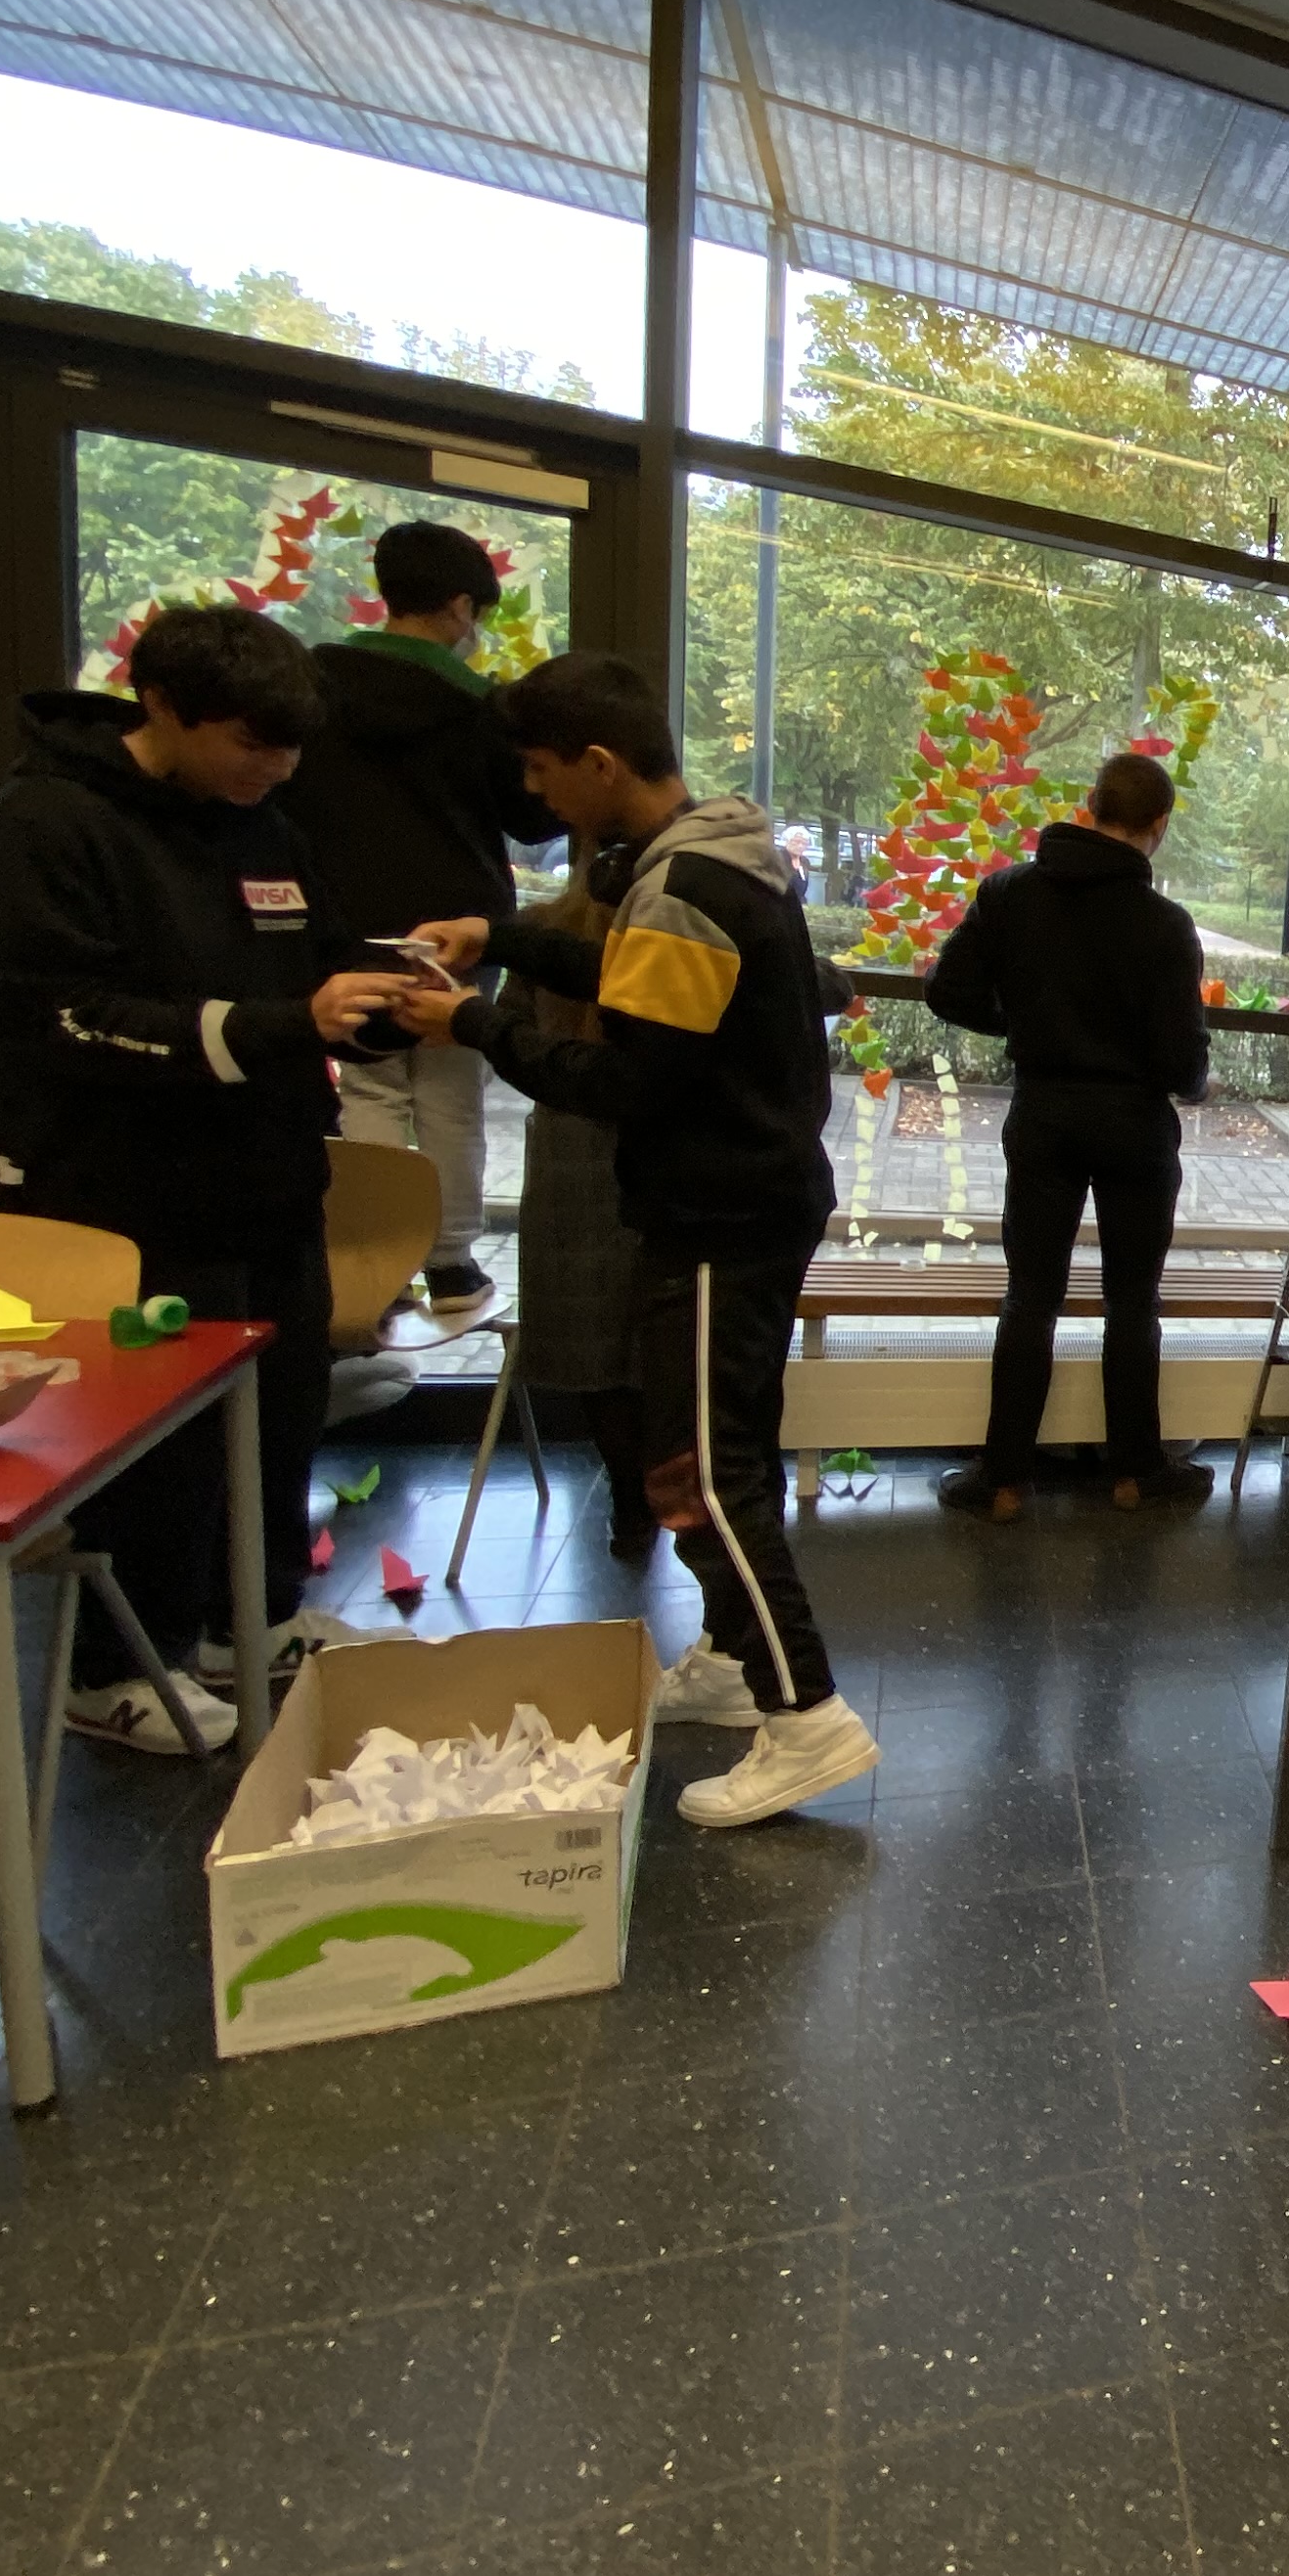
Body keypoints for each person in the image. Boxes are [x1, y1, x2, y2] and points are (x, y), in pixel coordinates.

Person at [387, 655, 874, 1830]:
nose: (538, 793)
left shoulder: (682, 883)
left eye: (543, 770)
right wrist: (501, 940)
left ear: (599, 764)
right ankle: (735, 1657)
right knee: (713, 1450)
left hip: (720, 1216)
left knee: (704, 1472)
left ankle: (806, 1715)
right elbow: (643, 983)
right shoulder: (712, 856)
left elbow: (626, 1081)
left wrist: (474, 1024)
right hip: (742, 1203)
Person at [0, 605, 409, 1749]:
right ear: (161, 705)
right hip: (126, 1191)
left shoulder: (265, 825)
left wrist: (383, 1001)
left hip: (272, 1179)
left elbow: (320, 960)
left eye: (291, 748)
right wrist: (284, 1024)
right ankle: (116, 1668)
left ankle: (250, 1622)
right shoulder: (49, 820)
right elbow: (65, 1018)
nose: (276, 769)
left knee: (282, 1413)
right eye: (250, 744)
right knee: (156, 1445)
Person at [922, 751, 1216, 1522]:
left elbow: (947, 991)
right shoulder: (1165, 925)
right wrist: (1192, 1080)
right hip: (1134, 1128)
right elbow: (1181, 1061)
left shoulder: (1010, 893)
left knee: (1031, 1295)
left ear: (1089, 807)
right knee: (1133, 1301)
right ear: (1158, 825)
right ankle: (1136, 1472)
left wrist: (1025, 1025)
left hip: (1044, 1115)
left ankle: (1002, 1479)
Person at [281, 520, 558, 1319]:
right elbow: (531, 814)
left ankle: (379, 1261)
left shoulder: (314, 689)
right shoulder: (481, 708)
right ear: (461, 606)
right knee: (450, 1087)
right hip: (461, 930)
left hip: (346, 923)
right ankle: (451, 1263)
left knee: (368, 1084)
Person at [505, 822, 658, 1566]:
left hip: (567, 1150)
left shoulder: (540, 930)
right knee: (653, 1336)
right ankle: (671, 1490)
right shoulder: (670, 938)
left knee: (591, 1346)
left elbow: (505, 1037)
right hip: (657, 1148)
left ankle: (629, 1503)